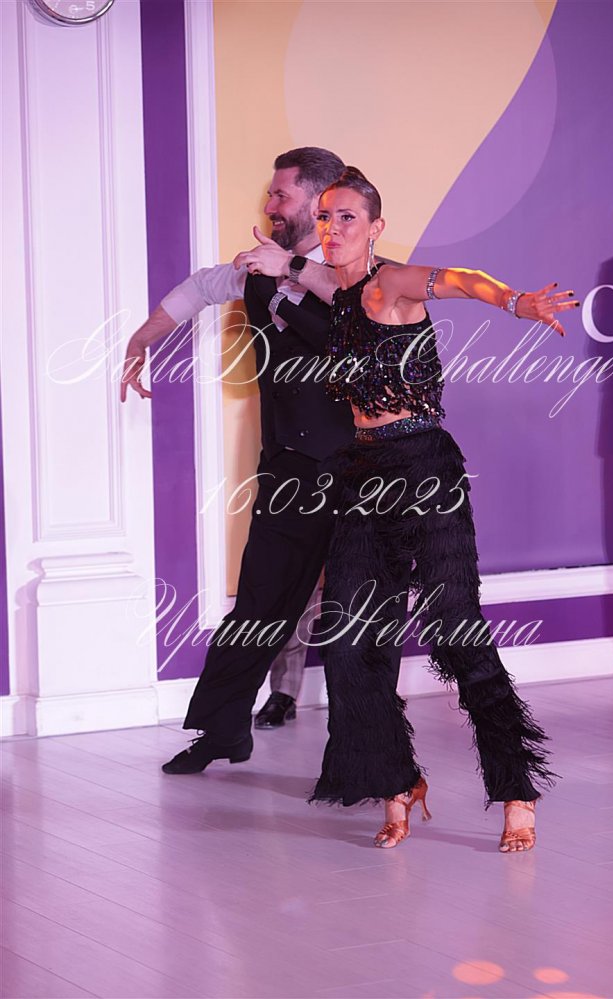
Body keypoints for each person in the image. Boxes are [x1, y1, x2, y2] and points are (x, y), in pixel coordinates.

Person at [306, 167, 576, 851]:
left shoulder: (391, 284)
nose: (331, 228)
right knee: (348, 639)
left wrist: (515, 302)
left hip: (424, 467)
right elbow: (301, 272)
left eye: (346, 217)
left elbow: (460, 278)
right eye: (324, 216)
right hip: (363, 473)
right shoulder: (336, 295)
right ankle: (398, 782)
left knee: (456, 631)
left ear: (375, 227)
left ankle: (516, 788)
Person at [121, 148, 354, 763]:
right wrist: (142, 339)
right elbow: (199, 288)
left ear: (320, 200)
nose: (269, 205)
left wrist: (295, 266)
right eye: (271, 194)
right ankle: (223, 729)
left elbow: (362, 309)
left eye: (281, 195)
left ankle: (363, 752)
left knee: (357, 610)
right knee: (257, 602)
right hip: (289, 466)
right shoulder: (256, 268)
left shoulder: (356, 267)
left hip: (362, 468)